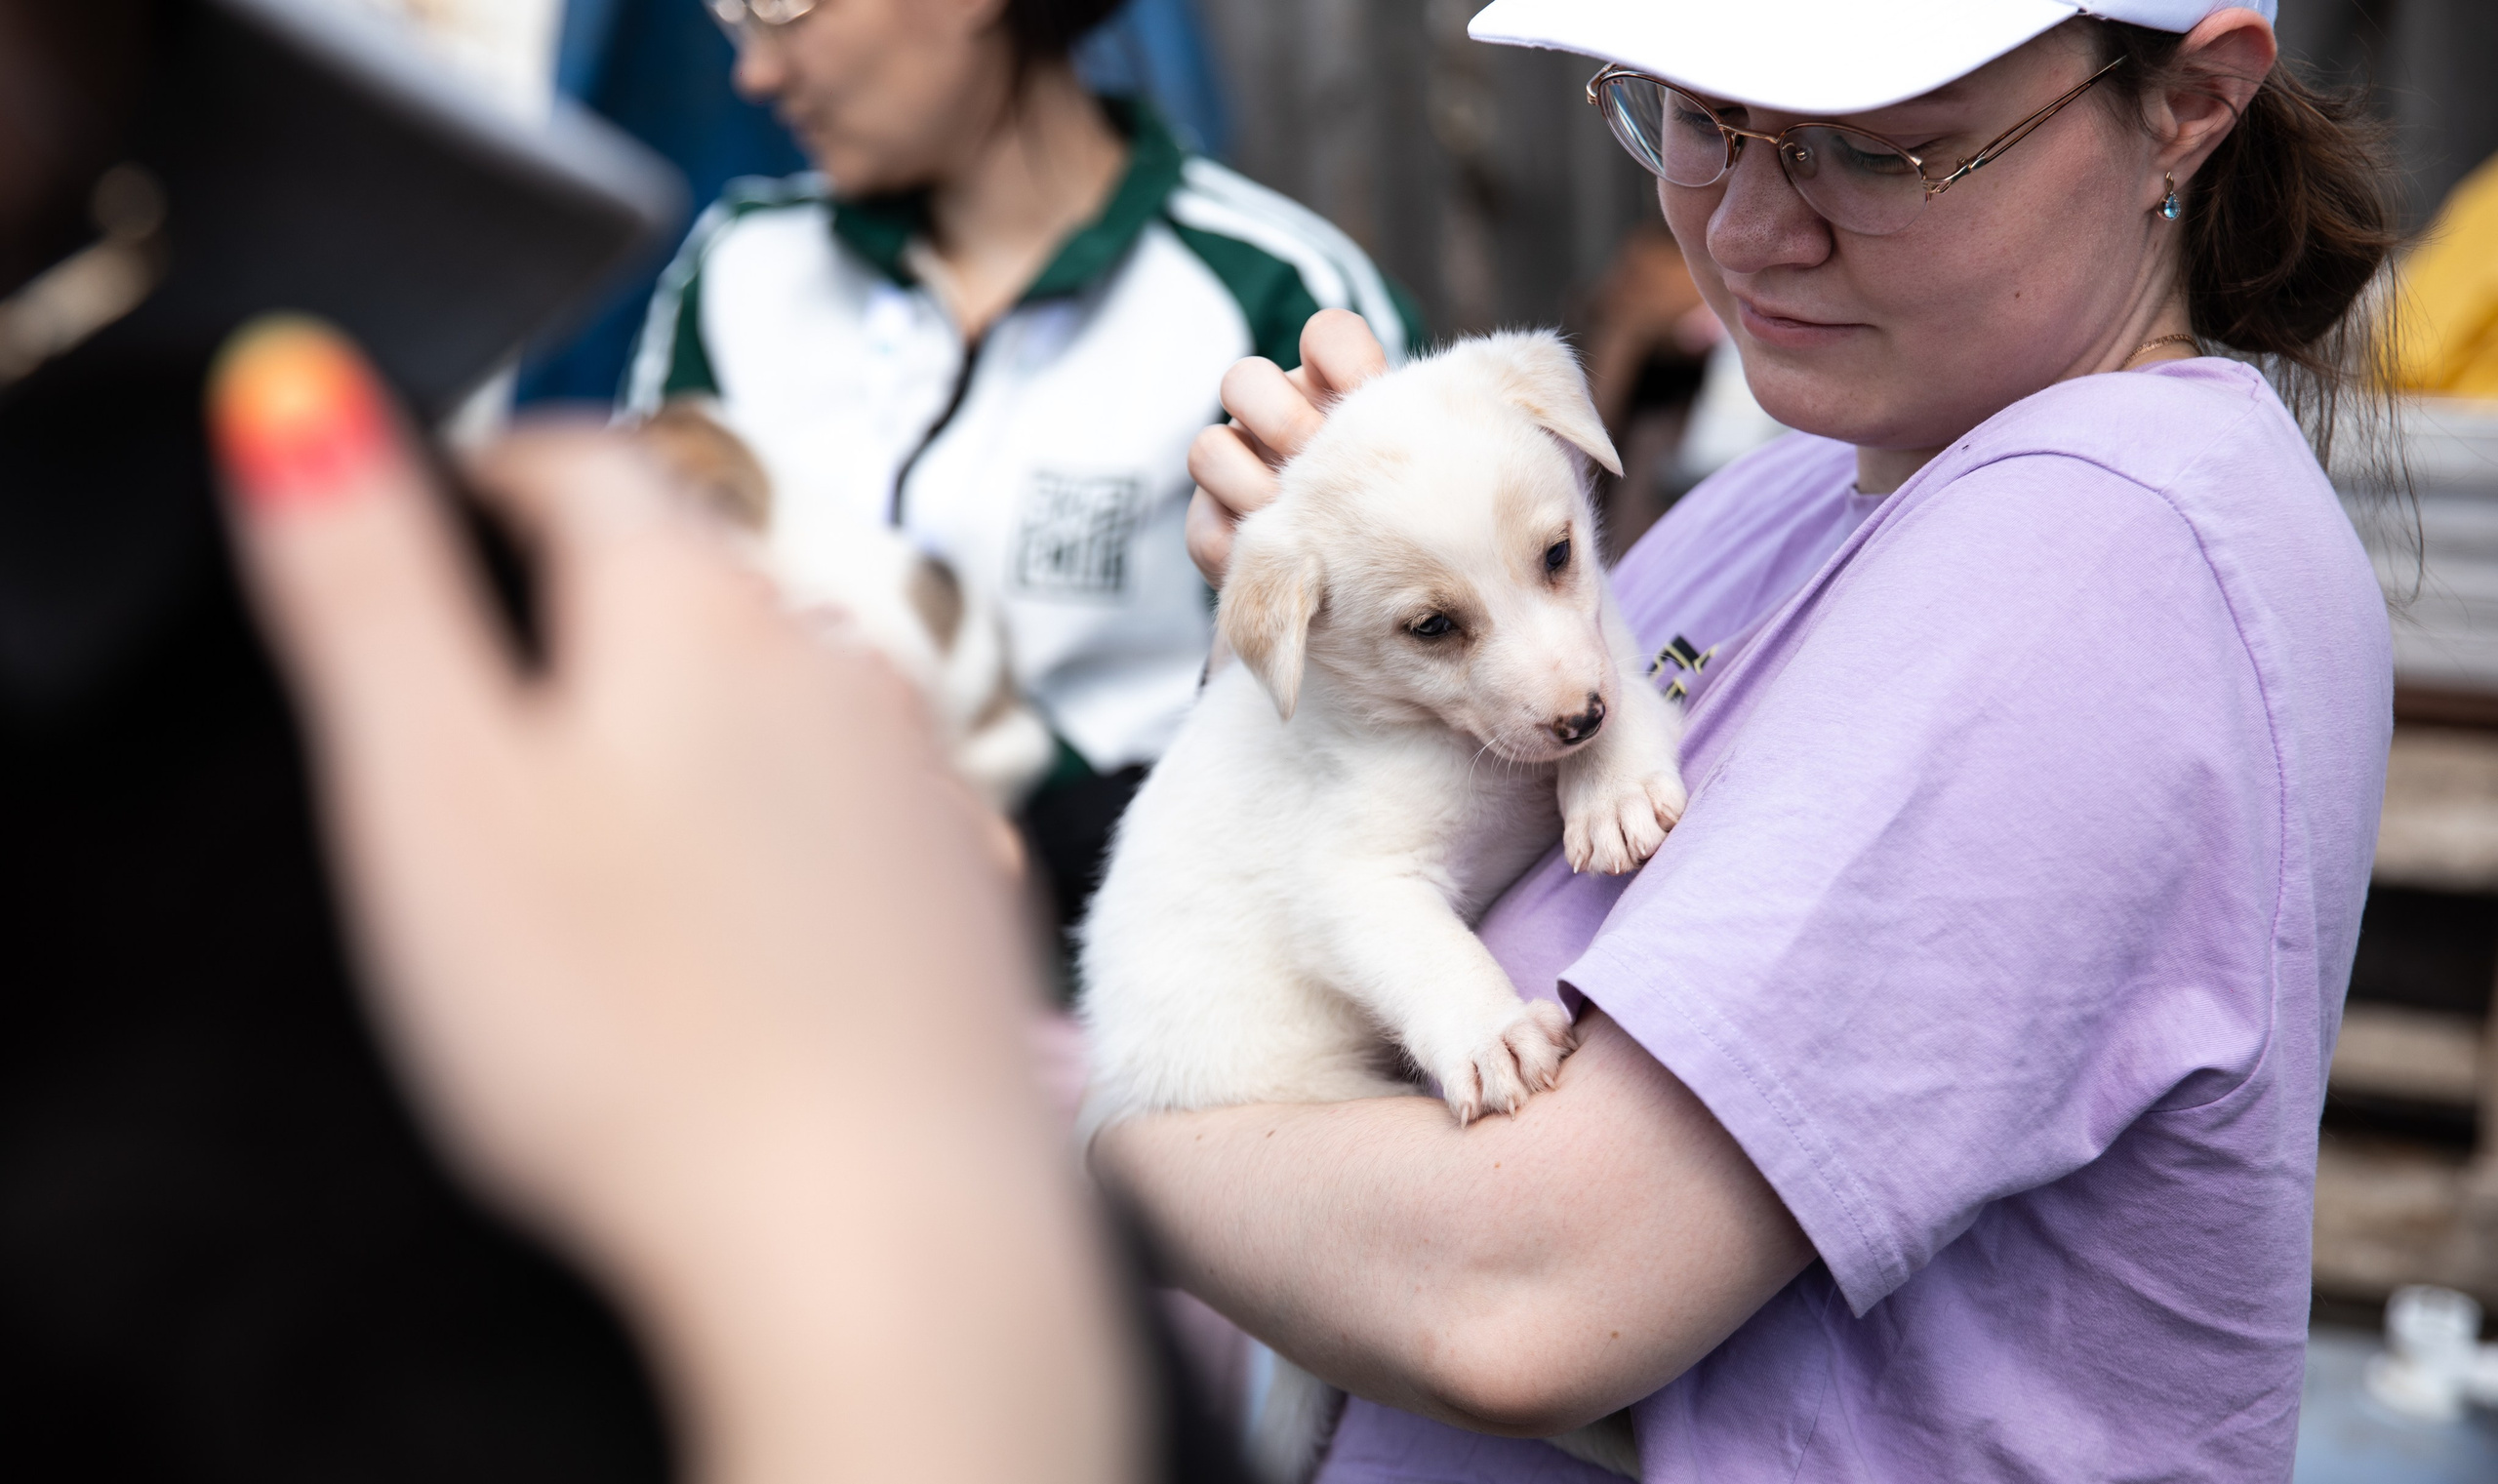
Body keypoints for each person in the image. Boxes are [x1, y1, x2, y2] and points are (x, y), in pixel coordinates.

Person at [1106, 1, 2401, 1478]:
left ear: (2187, 103)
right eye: (1702, 120)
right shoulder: (1800, 490)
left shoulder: (2092, 558)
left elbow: (1519, 1294)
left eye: (1875, 147)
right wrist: (1341, 626)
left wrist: (1114, 1150)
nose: (1752, 230)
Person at [630, 0, 1424, 946]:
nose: (754, 75)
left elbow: (1375, 755)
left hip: (1108, 1004)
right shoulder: (741, 268)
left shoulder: (1274, 297)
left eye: (783, 7)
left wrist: (1029, 863)